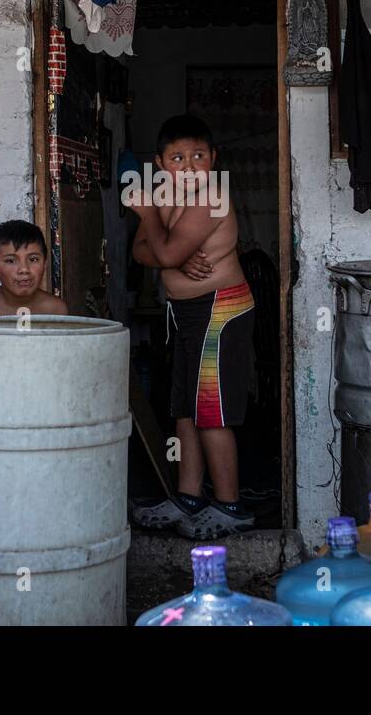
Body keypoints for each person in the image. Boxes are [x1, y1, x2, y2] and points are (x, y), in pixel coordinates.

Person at [126, 114, 255, 539]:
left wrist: (150, 220)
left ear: (213, 159)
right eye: (178, 157)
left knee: (212, 412)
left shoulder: (210, 198)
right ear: (162, 164)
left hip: (219, 308)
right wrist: (172, 251)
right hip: (186, 312)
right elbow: (143, 252)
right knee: (184, 408)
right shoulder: (168, 196)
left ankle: (230, 505)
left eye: (198, 155)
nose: (189, 165)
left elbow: (158, 251)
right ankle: (190, 497)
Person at [0, 220, 68, 317]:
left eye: (33, 259)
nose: (24, 269)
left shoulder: (56, 310)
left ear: (45, 264)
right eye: (10, 261)